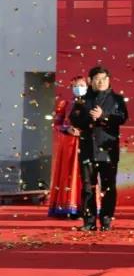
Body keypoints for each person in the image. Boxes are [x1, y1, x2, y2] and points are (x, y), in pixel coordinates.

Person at [70, 66, 128, 231]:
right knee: (88, 186)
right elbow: (74, 119)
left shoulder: (117, 99)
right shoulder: (82, 99)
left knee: (108, 186)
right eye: (97, 79)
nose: (101, 82)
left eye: (104, 79)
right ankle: (89, 221)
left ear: (108, 80)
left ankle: (106, 220)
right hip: (88, 147)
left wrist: (103, 117)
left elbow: (122, 118)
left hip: (108, 149)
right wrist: (89, 119)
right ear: (90, 80)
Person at [46, 76, 86, 219]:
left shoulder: (92, 103)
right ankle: (65, 207)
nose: (78, 88)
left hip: (85, 142)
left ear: (87, 87)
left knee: (84, 174)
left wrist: (84, 131)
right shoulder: (65, 104)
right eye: (75, 86)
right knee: (66, 172)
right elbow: (56, 124)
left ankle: (84, 208)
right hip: (68, 143)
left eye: (81, 85)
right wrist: (67, 128)